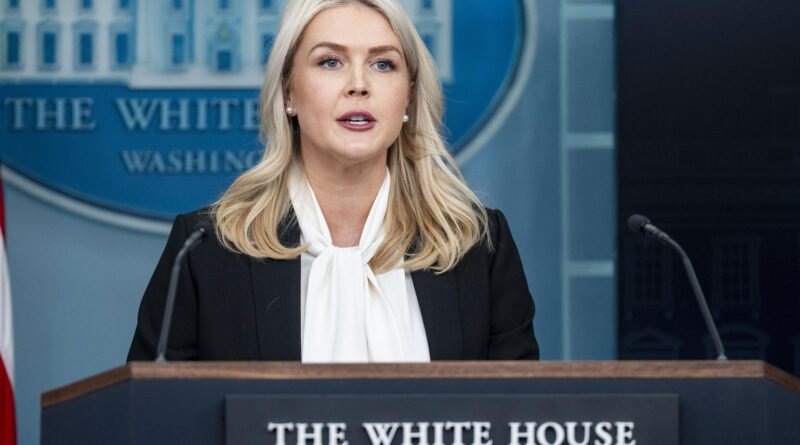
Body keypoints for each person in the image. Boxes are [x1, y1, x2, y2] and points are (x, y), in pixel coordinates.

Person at [127, 0, 538, 362]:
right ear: (288, 92)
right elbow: (154, 412)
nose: (358, 85)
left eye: (383, 64)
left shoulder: (478, 246)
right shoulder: (204, 251)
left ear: (409, 96)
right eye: (330, 62)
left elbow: (517, 411)